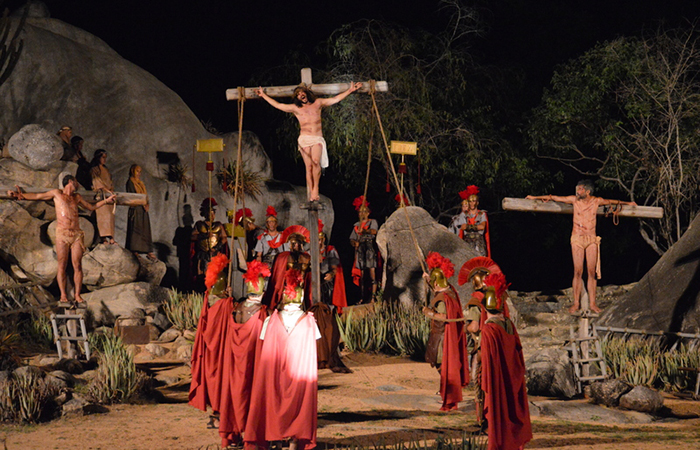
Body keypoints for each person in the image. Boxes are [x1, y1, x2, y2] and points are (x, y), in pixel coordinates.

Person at [526, 180, 637, 313]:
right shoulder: (575, 200)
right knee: (578, 272)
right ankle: (576, 303)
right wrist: (534, 198)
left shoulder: (596, 201)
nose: (577, 192)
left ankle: (593, 304)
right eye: (577, 189)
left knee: (591, 272)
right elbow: (554, 197)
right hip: (577, 238)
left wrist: (628, 203)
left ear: (587, 191)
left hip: (591, 239)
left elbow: (611, 201)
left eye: (580, 190)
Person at [244, 265, 321, 450]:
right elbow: (315, 344)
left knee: (272, 401)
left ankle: (275, 439)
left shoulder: (271, 320)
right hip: (299, 377)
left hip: (274, 375)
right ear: (301, 298)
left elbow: (263, 341)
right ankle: (294, 441)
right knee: (298, 406)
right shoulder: (310, 322)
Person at [6, 175, 115, 304]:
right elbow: (38, 196)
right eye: (76, 182)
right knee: (62, 265)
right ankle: (63, 295)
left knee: (78, 265)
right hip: (62, 234)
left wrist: (106, 201)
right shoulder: (56, 194)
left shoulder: (77, 197)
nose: (78, 184)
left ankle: (77, 295)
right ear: (70, 181)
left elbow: (91, 207)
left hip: (76, 235)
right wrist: (21, 195)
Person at [255, 82, 362, 201]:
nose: (301, 95)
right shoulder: (296, 108)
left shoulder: (318, 103)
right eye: (298, 94)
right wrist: (264, 96)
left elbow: (335, 99)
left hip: (317, 138)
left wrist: (350, 90)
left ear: (306, 94)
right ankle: (312, 192)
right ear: (297, 98)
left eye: (302, 93)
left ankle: (316, 188)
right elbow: (279, 105)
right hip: (304, 139)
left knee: (316, 162)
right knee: (309, 166)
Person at [480, 273, 532, 450]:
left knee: (500, 408)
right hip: (512, 374)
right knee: (512, 406)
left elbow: (488, 362)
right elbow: (518, 352)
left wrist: (485, 381)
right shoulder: (509, 323)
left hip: (499, 378)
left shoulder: (488, 330)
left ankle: (502, 442)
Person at [458, 256, 504, 426]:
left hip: (481, 348)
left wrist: (463, 327)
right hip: (497, 347)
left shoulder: (475, 300)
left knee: (480, 382)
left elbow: (474, 327)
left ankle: (483, 420)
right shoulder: (497, 297)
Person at [421, 252, 469, 411]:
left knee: (442, 364)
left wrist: (428, 312)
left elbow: (442, 316)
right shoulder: (450, 291)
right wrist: (428, 279)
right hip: (447, 334)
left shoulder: (442, 299)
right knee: (442, 365)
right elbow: (437, 288)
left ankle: (449, 393)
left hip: (443, 336)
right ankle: (446, 390)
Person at [311, 220, 352, 373]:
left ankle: (331, 346)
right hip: (315, 285)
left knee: (328, 314)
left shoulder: (330, 250)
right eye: (318, 238)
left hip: (327, 285)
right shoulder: (311, 251)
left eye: (321, 238)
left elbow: (335, 268)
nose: (320, 241)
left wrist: (331, 274)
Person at [192, 198, 228, 293]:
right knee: (201, 276)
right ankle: (201, 293)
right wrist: (204, 235)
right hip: (203, 253)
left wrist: (216, 248)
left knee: (215, 276)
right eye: (209, 213)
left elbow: (224, 238)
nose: (212, 215)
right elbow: (192, 236)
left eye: (213, 213)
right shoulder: (199, 224)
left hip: (214, 253)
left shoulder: (218, 225)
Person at [349, 196, 379, 303]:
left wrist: (364, 231)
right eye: (360, 212)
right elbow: (352, 239)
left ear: (368, 213)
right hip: (360, 249)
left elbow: (374, 232)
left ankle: (373, 297)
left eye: (364, 212)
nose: (362, 214)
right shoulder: (356, 225)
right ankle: (362, 297)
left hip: (369, 248)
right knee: (362, 276)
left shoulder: (372, 222)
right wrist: (354, 243)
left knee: (372, 274)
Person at [125, 165, 156, 261]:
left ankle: (148, 251)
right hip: (136, 208)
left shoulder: (141, 183)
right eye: (137, 171)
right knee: (135, 228)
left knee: (145, 229)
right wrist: (141, 203)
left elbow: (145, 196)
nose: (139, 173)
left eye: (140, 171)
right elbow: (132, 196)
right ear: (133, 171)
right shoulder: (130, 182)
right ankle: (134, 250)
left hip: (143, 209)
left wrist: (147, 204)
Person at [449, 185, 490, 257]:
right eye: (470, 201)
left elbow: (482, 227)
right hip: (467, 243)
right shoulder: (464, 214)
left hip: (479, 243)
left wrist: (468, 226)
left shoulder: (482, 214)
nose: (471, 203)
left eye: (473, 201)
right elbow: (462, 227)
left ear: (477, 202)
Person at [90, 149, 116, 245]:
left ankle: (111, 238)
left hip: (109, 195)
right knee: (103, 217)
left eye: (105, 158)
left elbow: (110, 181)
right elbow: (97, 182)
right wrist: (106, 190)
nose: (104, 160)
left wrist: (111, 190)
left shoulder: (106, 169)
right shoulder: (94, 170)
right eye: (103, 157)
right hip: (101, 195)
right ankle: (103, 238)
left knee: (110, 217)